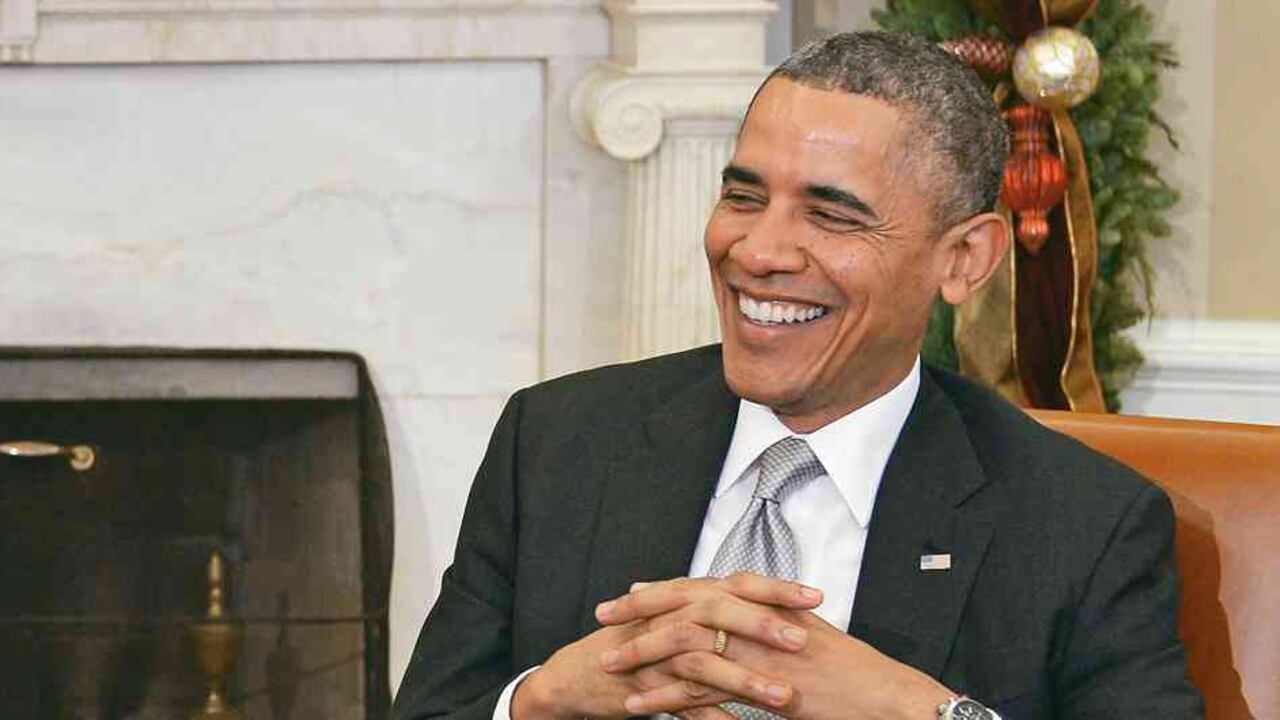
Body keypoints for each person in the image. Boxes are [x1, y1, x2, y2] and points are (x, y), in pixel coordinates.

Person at [390, 32, 1203, 720]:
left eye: (831, 215)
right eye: (744, 197)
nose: (758, 251)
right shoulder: (558, 442)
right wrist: (538, 700)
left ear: (964, 259)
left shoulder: (1081, 524)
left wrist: (919, 711)